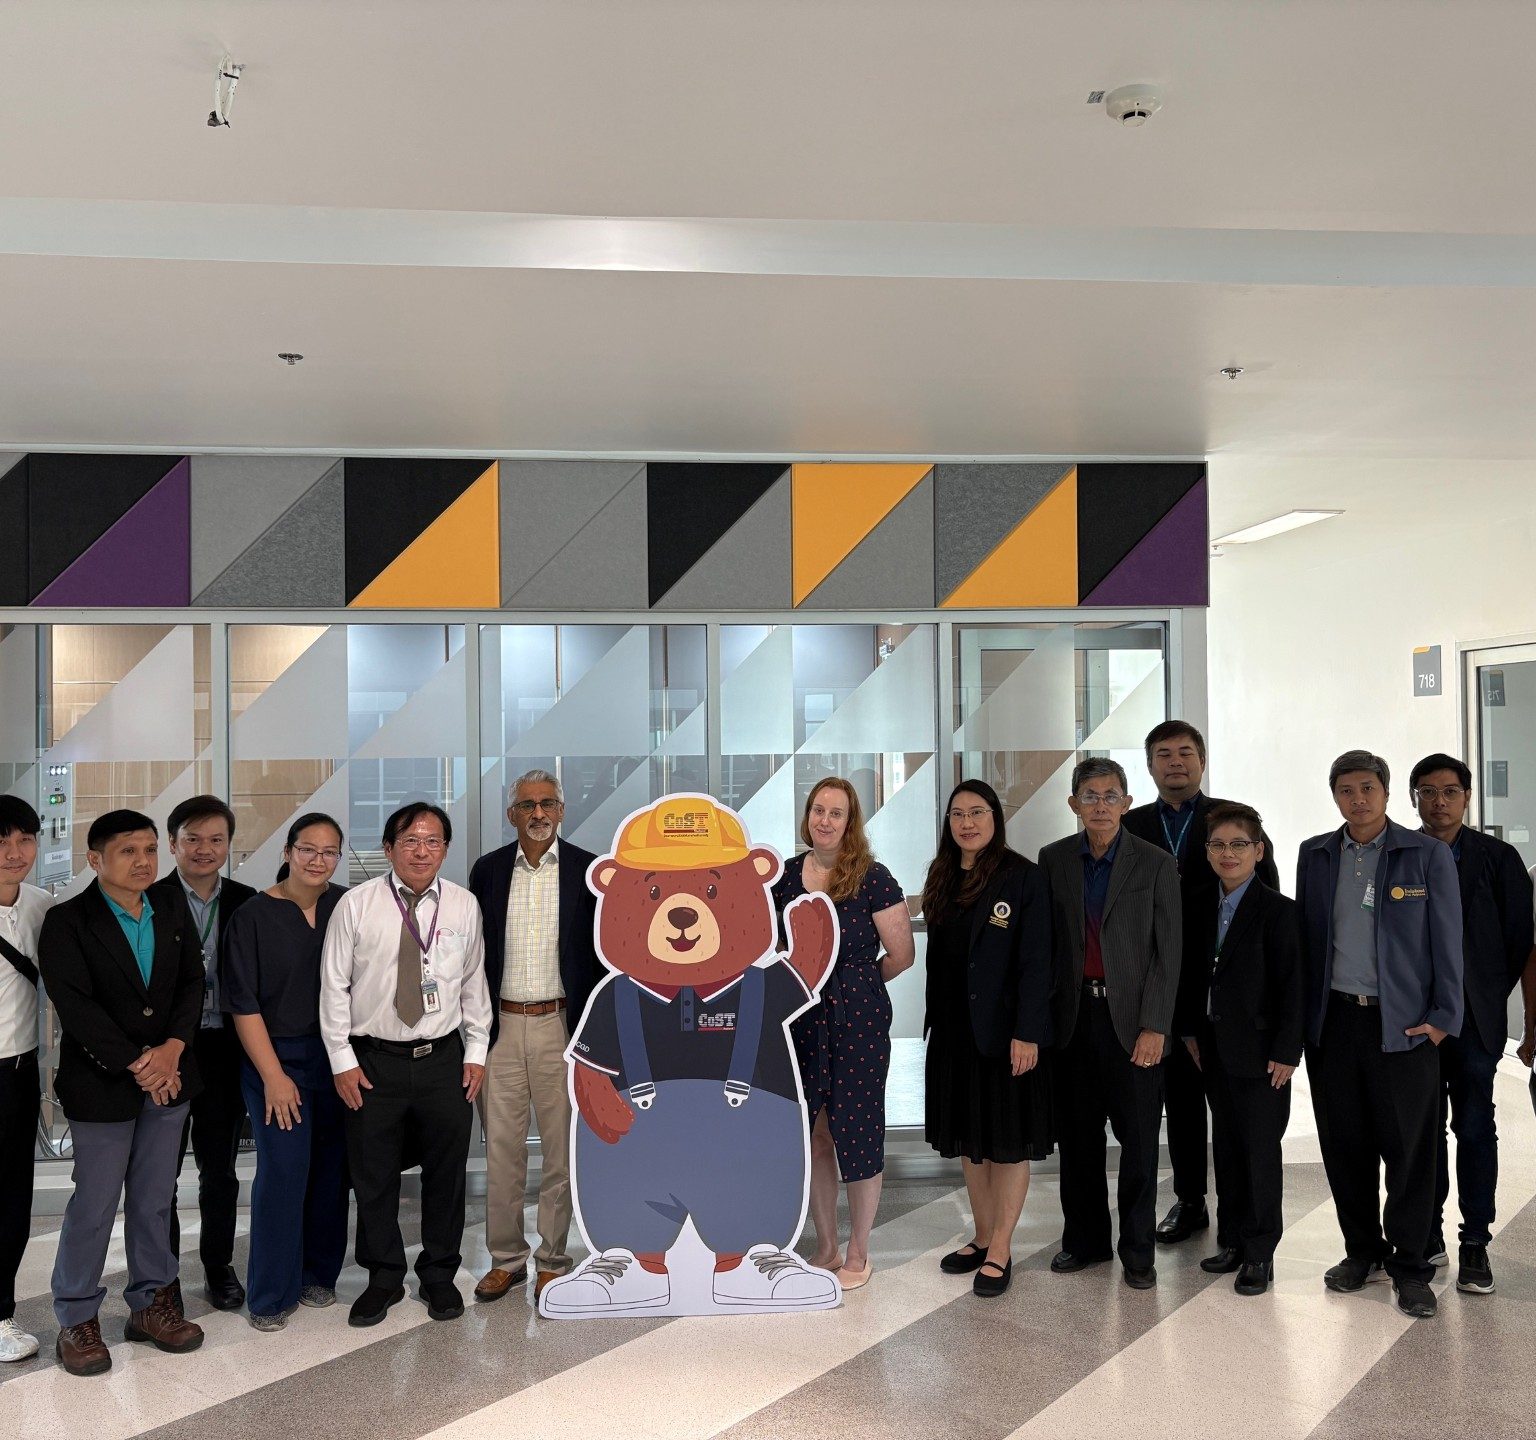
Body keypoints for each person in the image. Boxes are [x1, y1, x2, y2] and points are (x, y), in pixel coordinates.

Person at [1297, 750, 1463, 1320]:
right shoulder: (1316, 854)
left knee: (1410, 1151)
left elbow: (1448, 940)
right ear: (1335, 796)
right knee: (1345, 1145)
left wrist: (1443, 1018)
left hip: (1405, 1027)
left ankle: (1411, 1266)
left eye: (1368, 788)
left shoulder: (1426, 854)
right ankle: (1361, 1251)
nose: (1358, 799)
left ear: (1387, 794)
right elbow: (1309, 942)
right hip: (1336, 1023)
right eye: (1346, 790)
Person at [39, 810, 207, 1376]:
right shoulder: (68, 921)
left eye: (150, 850)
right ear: (95, 860)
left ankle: (151, 1304)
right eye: (128, 851)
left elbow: (191, 983)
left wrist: (174, 1049)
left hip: (170, 1079)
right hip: (103, 1084)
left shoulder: (170, 906)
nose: (143, 861)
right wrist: (141, 1063)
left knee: (155, 1198)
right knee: (95, 1202)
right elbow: (75, 1005)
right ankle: (77, 1316)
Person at [320, 801, 492, 1328]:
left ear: (445, 848)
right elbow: (334, 985)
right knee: (373, 1175)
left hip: (443, 1059)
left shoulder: (463, 905)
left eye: (433, 841)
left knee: (447, 1173)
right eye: (411, 841)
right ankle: (384, 1277)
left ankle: (439, 1274)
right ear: (389, 848)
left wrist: (476, 1051)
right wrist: (342, 1060)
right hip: (373, 1061)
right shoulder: (356, 904)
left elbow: (473, 982)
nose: (422, 851)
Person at [1123, 721, 1280, 1250]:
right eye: (1164, 754)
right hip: (1154, 984)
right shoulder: (1131, 824)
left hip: (1220, 987)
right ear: (1150, 765)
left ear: (1202, 761)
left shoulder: (1232, 819)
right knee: (1180, 1101)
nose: (1175, 762)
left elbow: (1266, 905)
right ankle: (1190, 1200)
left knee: (1235, 1109)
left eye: (1185, 753)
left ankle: (1245, 1217)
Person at [1039, 759, 1181, 1289]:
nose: (1100, 805)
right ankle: (1086, 1242)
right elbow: (1047, 947)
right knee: (1078, 1142)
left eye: (1110, 795)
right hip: (1074, 1020)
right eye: (1090, 796)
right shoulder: (1054, 859)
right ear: (1073, 804)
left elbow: (1169, 953)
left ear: (1126, 802)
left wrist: (1156, 1026)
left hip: (1134, 1024)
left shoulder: (1156, 862)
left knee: (1139, 1144)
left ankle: (1138, 1251)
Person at [771, 778, 914, 1291]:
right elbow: (771, 949)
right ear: (807, 816)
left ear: (850, 822)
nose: (825, 820)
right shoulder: (785, 879)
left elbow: (902, 955)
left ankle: (859, 1250)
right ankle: (827, 1246)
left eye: (836, 812)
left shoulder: (873, 877)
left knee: (859, 1130)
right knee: (814, 1133)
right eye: (818, 810)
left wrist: (859, 984)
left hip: (859, 1023)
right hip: (802, 1021)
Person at [468, 770, 600, 1305]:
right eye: (527, 805)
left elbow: (600, 955)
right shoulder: (488, 871)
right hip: (501, 1028)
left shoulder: (588, 870)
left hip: (561, 1027)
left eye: (548, 803)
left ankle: (552, 1259)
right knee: (502, 1152)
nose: (538, 813)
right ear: (512, 815)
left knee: (560, 1153)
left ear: (562, 811)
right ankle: (506, 1260)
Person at [921, 779, 1053, 1299]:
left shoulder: (1023, 877)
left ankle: (1001, 1247)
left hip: (1004, 1035)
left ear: (995, 818)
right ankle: (980, 1236)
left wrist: (1028, 1033)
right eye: (958, 814)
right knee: (971, 1144)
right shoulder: (943, 874)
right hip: (954, 1031)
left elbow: (1038, 962)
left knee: (1006, 1142)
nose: (967, 823)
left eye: (977, 812)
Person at [1411, 753, 1534, 1293]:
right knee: (1422, 1129)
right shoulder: (1401, 853)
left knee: (1476, 1128)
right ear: (1414, 798)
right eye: (1428, 791)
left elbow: (1518, 941)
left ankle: (1476, 1239)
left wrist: (1480, 998)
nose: (1439, 802)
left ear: (1467, 797)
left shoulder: (1498, 858)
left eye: (1450, 791)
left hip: (1475, 1024)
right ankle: (1427, 1233)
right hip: (1413, 1021)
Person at [224, 813, 350, 1330]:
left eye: (329, 851)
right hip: (275, 1059)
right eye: (307, 849)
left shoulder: (346, 905)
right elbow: (243, 1004)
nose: (318, 860)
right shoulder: (252, 916)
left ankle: (318, 1274)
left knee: (330, 1170)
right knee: (283, 1171)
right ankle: (271, 1294)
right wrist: (274, 1077)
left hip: (337, 1057)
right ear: (287, 851)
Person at [1181, 802, 1303, 1296]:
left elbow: (1294, 986)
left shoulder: (1279, 911)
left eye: (1238, 844)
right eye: (1218, 845)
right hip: (1212, 1047)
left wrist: (1287, 1050)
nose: (1227, 853)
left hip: (1263, 1053)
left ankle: (1259, 1252)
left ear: (1259, 851)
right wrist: (1190, 1032)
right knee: (1227, 1148)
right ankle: (1231, 1240)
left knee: (1260, 1153)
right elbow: (1192, 976)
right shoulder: (1199, 905)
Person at [148, 795, 256, 1313]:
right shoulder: (149, 899)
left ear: (229, 845)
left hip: (225, 1052)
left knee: (220, 1171)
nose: (204, 849)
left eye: (216, 839)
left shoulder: (246, 901)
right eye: (192, 839)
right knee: (160, 1173)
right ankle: (162, 1275)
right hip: (169, 1052)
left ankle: (218, 1266)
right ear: (173, 844)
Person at [0, 796, 47, 1363]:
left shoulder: (41, 907)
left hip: (16, 1072)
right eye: (2, 842)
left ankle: (1, 1314)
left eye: (25, 840)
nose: (15, 853)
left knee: (12, 1197)